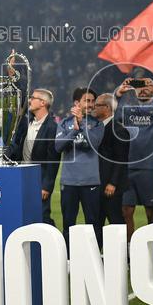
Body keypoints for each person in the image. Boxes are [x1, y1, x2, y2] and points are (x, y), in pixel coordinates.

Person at [115, 76, 153, 239]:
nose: (142, 90)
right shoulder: (129, 109)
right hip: (128, 167)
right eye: (139, 86)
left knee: (151, 210)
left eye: (146, 86)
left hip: (150, 167)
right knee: (126, 210)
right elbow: (114, 117)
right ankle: (129, 247)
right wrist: (118, 94)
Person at [56, 87, 105, 247]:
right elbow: (58, 146)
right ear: (77, 103)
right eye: (87, 100)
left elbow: (94, 143)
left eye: (92, 101)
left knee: (94, 222)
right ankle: (67, 257)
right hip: (69, 181)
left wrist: (81, 123)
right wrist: (74, 131)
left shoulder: (98, 124)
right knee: (68, 223)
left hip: (90, 181)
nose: (90, 104)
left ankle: (94, 256)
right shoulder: (64, 123)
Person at [6, 88, 60, 225]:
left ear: (43, 103)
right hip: (22, 175)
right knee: (23, 215)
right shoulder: (27, 123)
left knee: (42, 215)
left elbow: (53, 160)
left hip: (39, 179)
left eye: (33, 98)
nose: (30, 100)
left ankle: (52, 237)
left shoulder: (52, 127)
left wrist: (46, 186)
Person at [93, 93, 128, 238]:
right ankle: (97, 250)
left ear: (107, 107)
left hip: (110, 185)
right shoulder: (96, 127)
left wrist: (113, 183)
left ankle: (122, 250)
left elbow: (121, 159)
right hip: (97, 182)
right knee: (96, 221)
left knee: (115, 220)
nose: (93, 108)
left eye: (97, 105)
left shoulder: (119, 130)